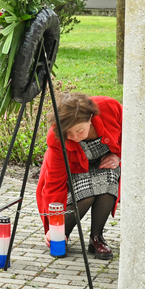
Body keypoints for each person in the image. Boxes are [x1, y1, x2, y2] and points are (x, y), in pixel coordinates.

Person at [35, 93, 122, 261]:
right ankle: (61, 234)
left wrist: (119, 156)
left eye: (80, 131)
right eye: (69, 133)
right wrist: (53, 225)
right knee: (85, 195)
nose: (75, 137)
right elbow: (54, 184)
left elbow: (133, 132)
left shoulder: (109, 107)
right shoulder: (56, 138)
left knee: (109, 180)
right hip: (75, 170)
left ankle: (96, 238)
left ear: (90, 118)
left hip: (104, 163)